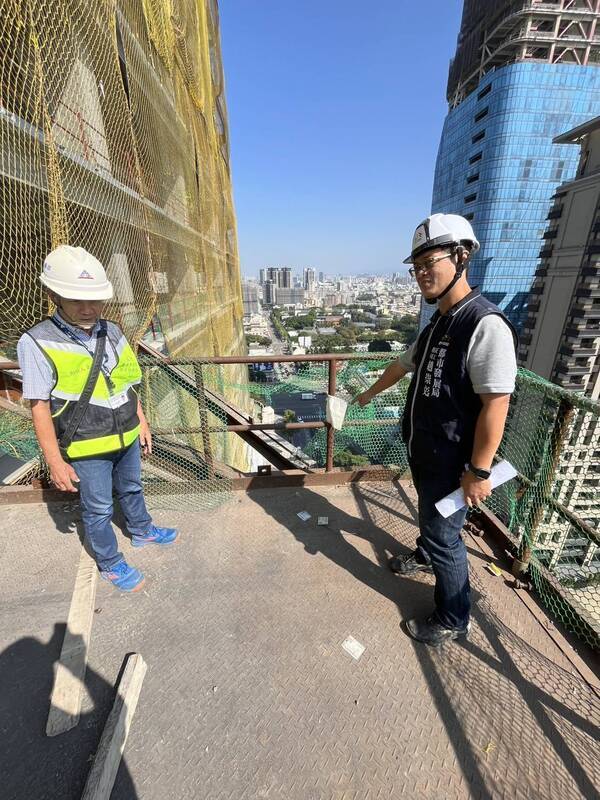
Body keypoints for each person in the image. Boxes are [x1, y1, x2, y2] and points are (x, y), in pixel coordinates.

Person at [355, 214, 517, 646]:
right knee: (433, 520)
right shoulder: (440, 322)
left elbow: (496, 402)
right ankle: (426, 554)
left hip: (454, 461)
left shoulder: (484, 324)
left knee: (447, 536)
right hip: (427, 451)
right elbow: (402, 364)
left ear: (462, 257)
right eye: (417, 265)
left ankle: (453, 616)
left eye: (432, 260)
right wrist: (369, 393)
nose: (422, 272)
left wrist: (480, 471)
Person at [17, 245, 178, 592]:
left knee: (134, 486)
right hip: (86, 443)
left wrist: (142, 420)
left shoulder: (113, 331)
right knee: (99, 507)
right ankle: (110, 562)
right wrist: (55, 461)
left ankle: (141, 530)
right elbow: (39, 405)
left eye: (95, 301)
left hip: (126, 432)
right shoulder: (37, 342)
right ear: (54, 295)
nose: (88, 309)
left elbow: (126, 382)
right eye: (77, 301)